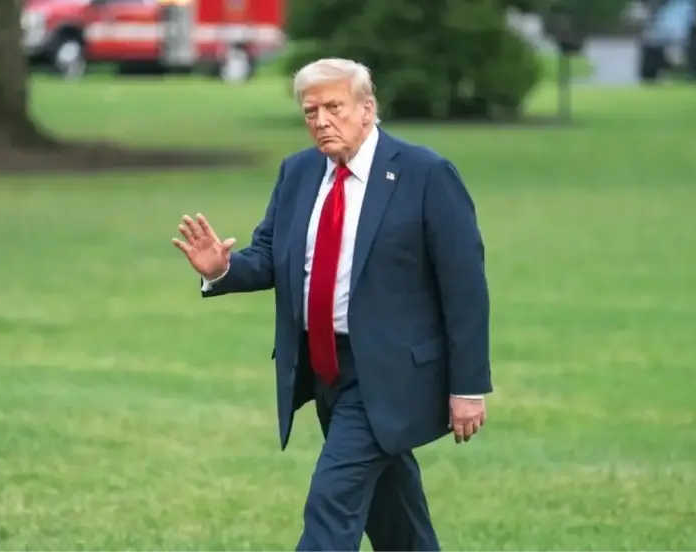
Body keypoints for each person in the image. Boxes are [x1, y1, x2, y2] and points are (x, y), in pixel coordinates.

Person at [172, 58, 492, 551]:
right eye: (311, 111)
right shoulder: (299, 172)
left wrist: (467, 387)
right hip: (324, 368)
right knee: (395, 514)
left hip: (390, 372)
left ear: (367, 109)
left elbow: (465, 287)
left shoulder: (425, 174)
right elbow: (271, 256)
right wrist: (221, 269)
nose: (321, 121)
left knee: (331, 501)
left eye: (334, 107)